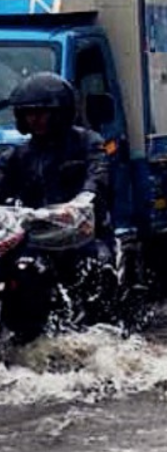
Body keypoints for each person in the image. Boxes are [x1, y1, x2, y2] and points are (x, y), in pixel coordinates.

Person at [0, 73, 114, 342]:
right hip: (36, 238)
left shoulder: (88, 142)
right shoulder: (19, 155)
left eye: (42, 113)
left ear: (61, 113)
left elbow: (98, 175)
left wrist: (83, 200)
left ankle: (103, 341)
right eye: (28, 114)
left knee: (98, 271)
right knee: (21, 270)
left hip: (83, 235)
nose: (35, 120)